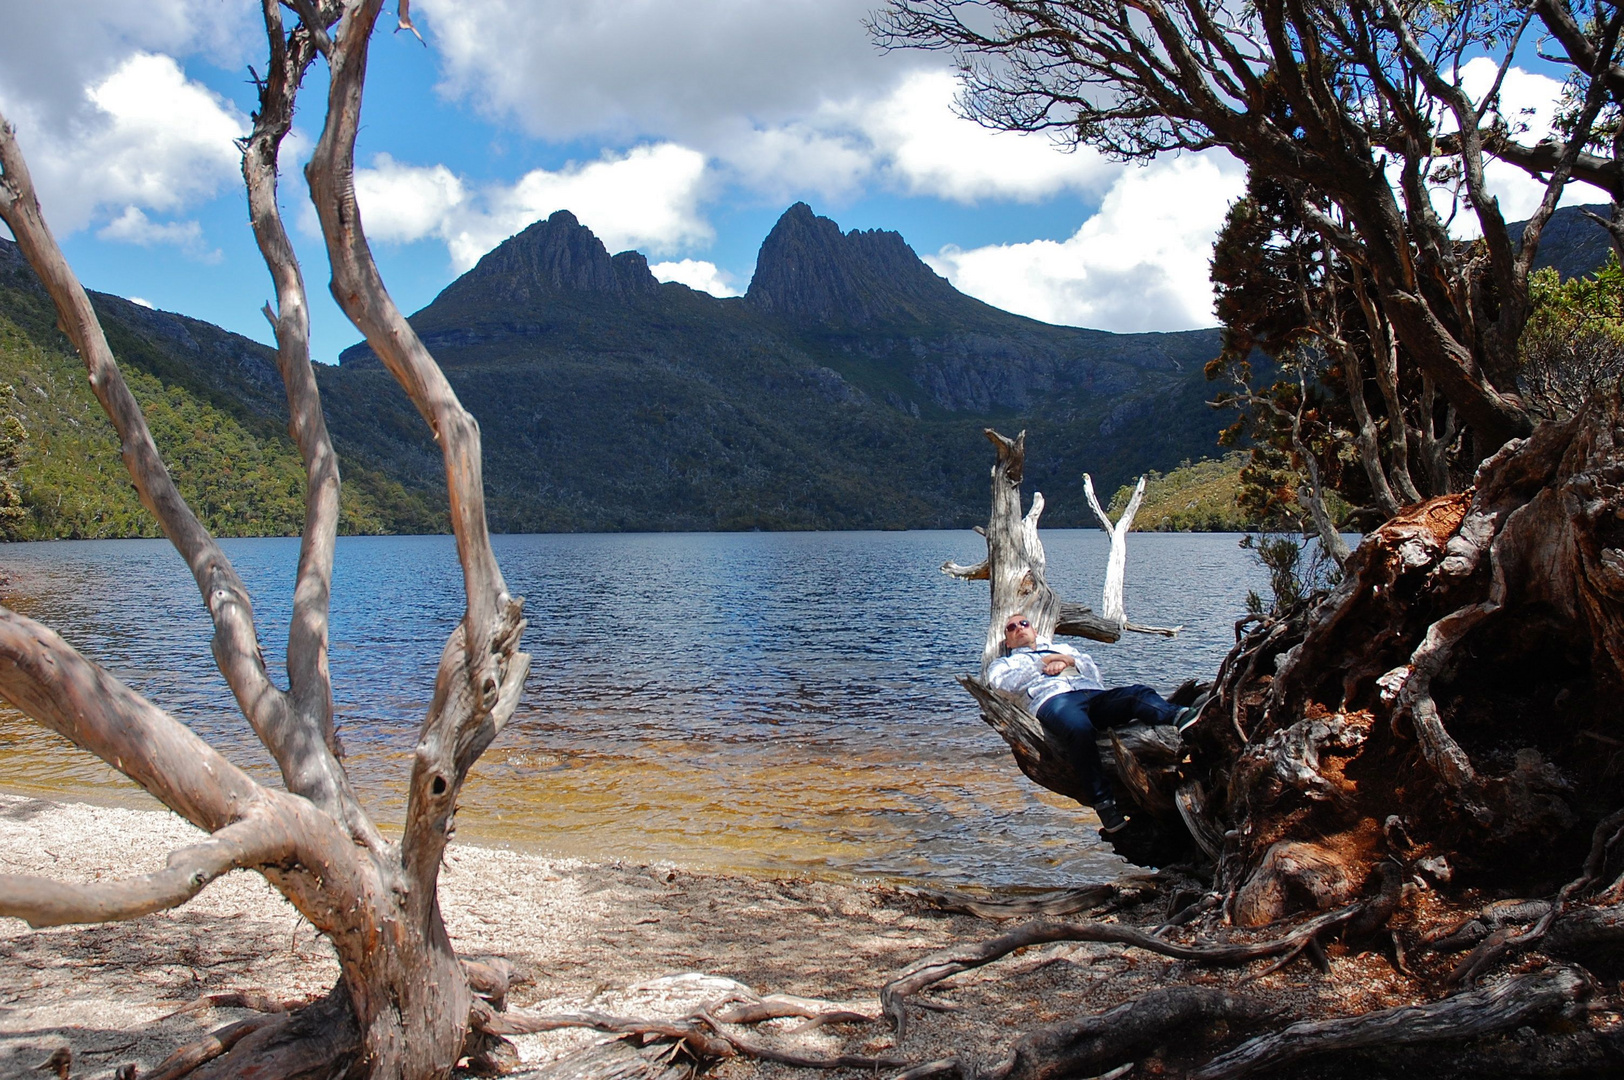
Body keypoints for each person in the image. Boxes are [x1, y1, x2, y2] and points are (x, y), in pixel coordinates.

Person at [985, 613, 1189, 835]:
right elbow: (1002, 686)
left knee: (1137, 694)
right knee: (1079, 730)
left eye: (1024, 623)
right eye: (1011, 627)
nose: (1019, 628)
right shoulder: (1005, 663)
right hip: (1053, 700)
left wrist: (1067, 661)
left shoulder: (1063, 648)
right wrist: (1041, 664)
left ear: (1034, 630)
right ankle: (1104, 804)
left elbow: (1094, 673)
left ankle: (1180, 718)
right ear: (1007, 641)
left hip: (1092, 695)